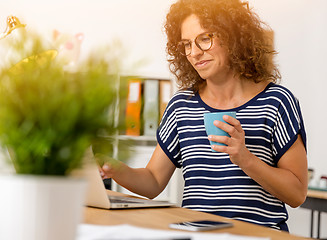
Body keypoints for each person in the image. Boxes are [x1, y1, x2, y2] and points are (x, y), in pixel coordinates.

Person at [99, 0, 308, 232]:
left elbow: (297, 194)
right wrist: (116, 170)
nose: (194, 53)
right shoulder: (182, 105)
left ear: (234, 36)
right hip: (196, 234)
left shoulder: (276, 102)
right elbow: (153, 181)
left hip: (259, 235)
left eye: (205, 38)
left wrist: (245, 159)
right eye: (186, 44)